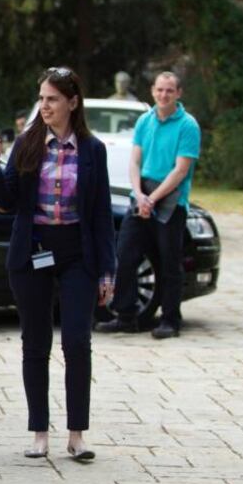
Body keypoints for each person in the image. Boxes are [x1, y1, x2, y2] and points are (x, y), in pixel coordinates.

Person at [0, 67, 115, 462]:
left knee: (76, 341)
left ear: (72, 102)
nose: (45, 106)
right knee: (35, 343)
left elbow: (102, 213)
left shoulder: (93, 150)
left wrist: (108, 270)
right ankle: (39, 433)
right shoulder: (27, 144)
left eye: (52, 99)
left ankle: (77, 435)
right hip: (32, 250)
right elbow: (6, 201)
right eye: (41, 98)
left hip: (78, 254)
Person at [97, 71, 201, 339]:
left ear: (178, 93)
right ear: (152, 91)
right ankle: (126, 316)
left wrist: (153, 200)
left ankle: (169, 320)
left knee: (169, 261)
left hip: (171, 201)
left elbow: (180, 171)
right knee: (125, 254)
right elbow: (134, 162)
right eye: (160, 90)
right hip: (142, 196)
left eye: (169, 90)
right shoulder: (144, 121)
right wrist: (140, 195)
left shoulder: (188, 125)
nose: (163, 95)